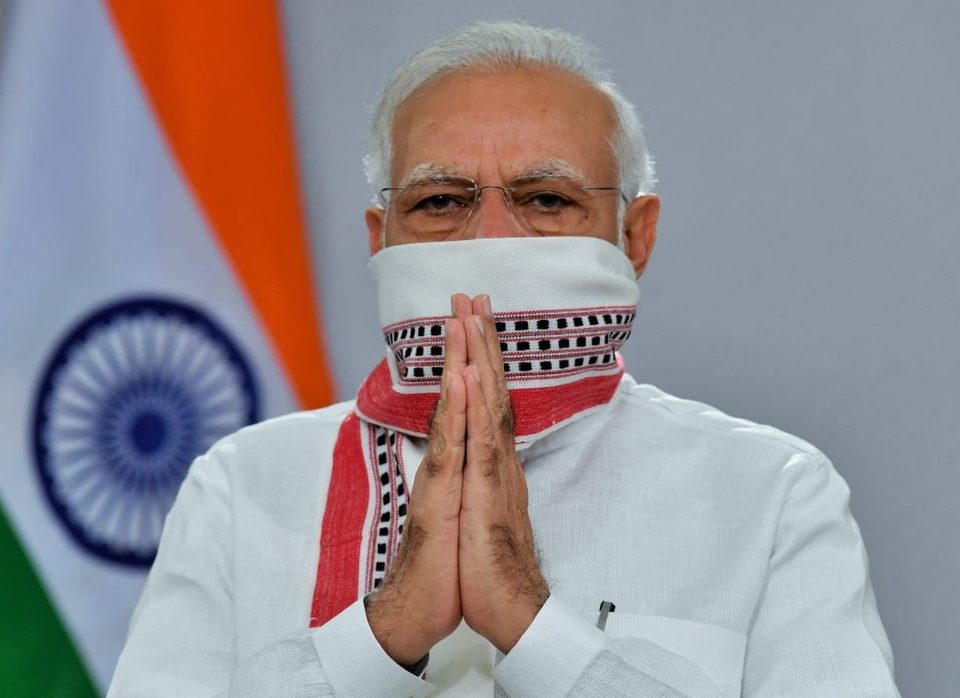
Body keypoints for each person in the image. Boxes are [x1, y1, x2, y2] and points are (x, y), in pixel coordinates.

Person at [108, 21, 900, 697]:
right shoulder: (242, 488)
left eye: (546, 199)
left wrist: (529, 624)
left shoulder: (771, 493)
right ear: (381, 239)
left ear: (634, 236)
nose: (491, 241)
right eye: (440, 202)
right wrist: (386, 633)